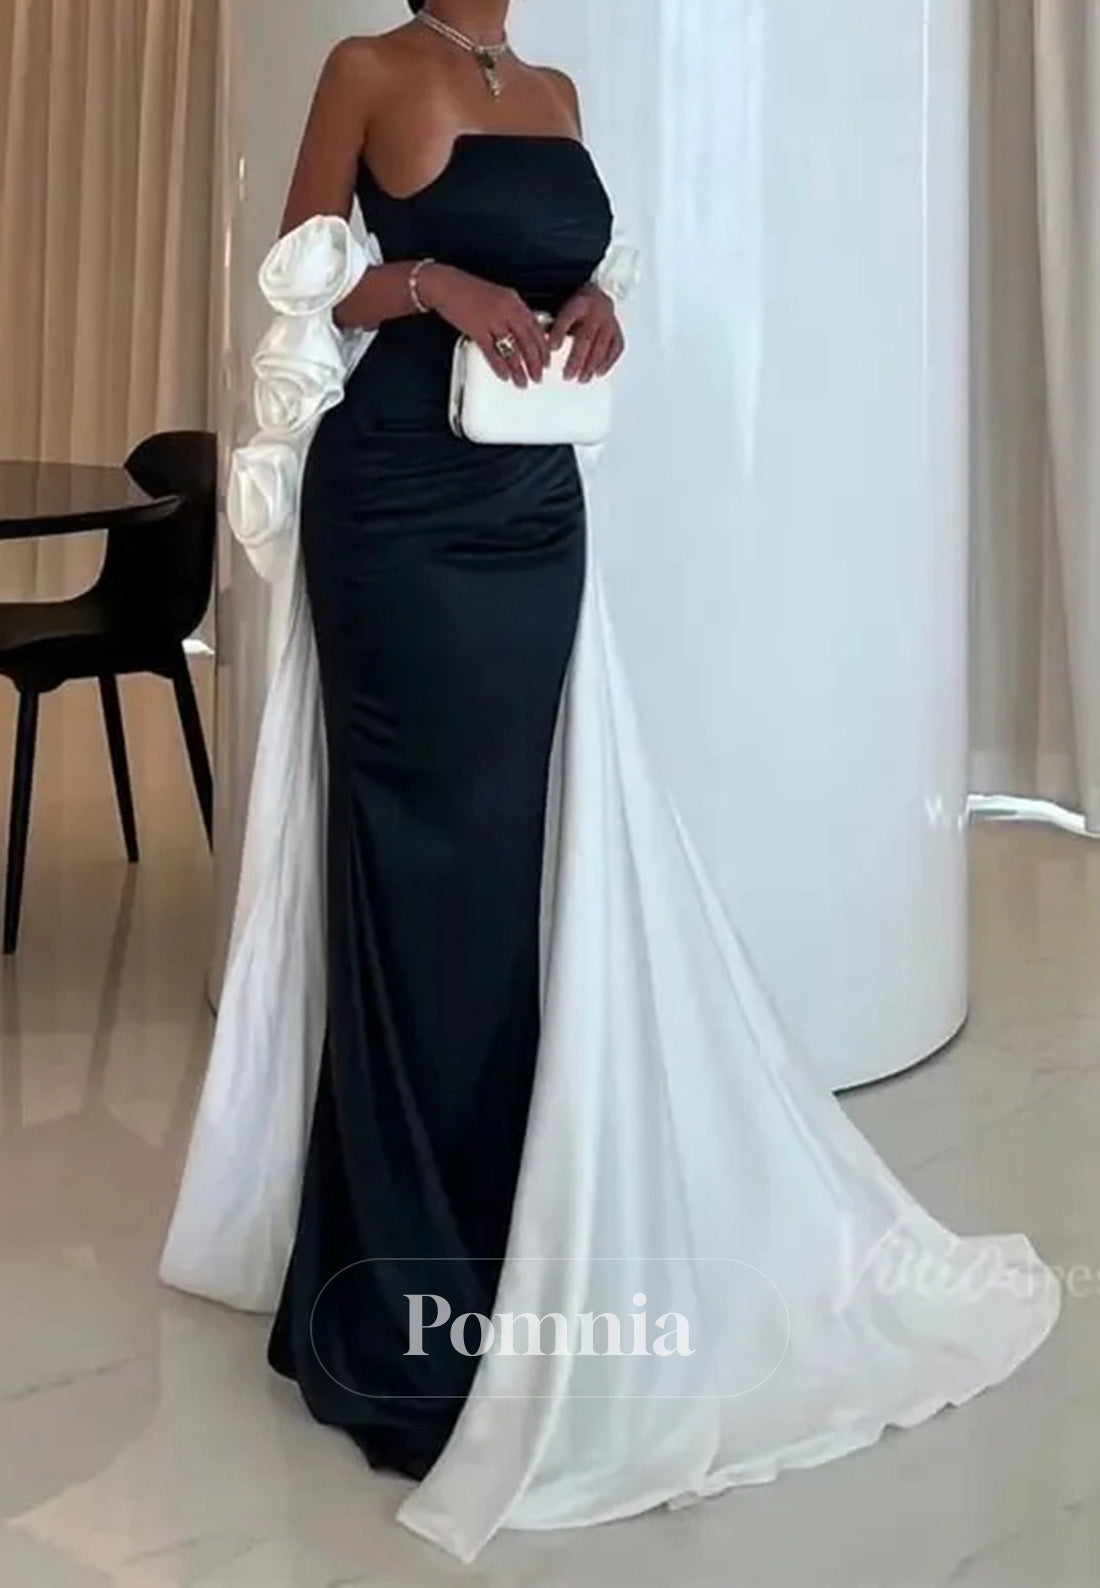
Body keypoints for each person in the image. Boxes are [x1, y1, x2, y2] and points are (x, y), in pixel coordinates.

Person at [163, 0, 1061, 1563]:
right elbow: (303, 276)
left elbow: (578, 263)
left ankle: (529, 1230)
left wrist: (594, 307)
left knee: (519, 856)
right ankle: (399, 1283)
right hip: (395, 504)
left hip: (531, 500)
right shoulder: (369, 68)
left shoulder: (557, 87)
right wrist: (433, 281)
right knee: (416, 868)